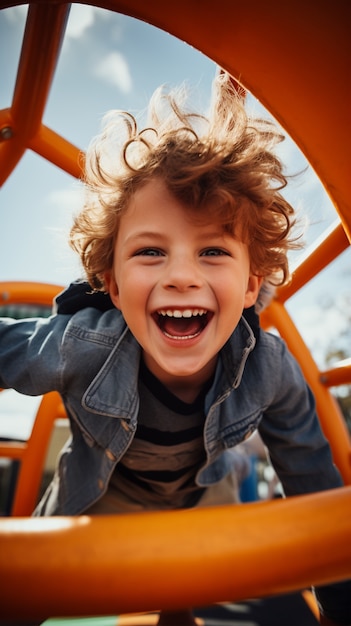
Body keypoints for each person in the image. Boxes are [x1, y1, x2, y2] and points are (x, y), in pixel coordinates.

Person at [0, 73, 350, 626]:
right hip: (105, 493)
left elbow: (308, 469)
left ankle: (179, 607)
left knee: (205, 563)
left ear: (255, 282)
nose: (182, 276)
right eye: (150, 253)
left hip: (201, 494)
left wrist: (341, 601)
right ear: (111, 285)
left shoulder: (267, 366)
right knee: (28, 586)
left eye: (212, 250)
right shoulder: (82, 347)